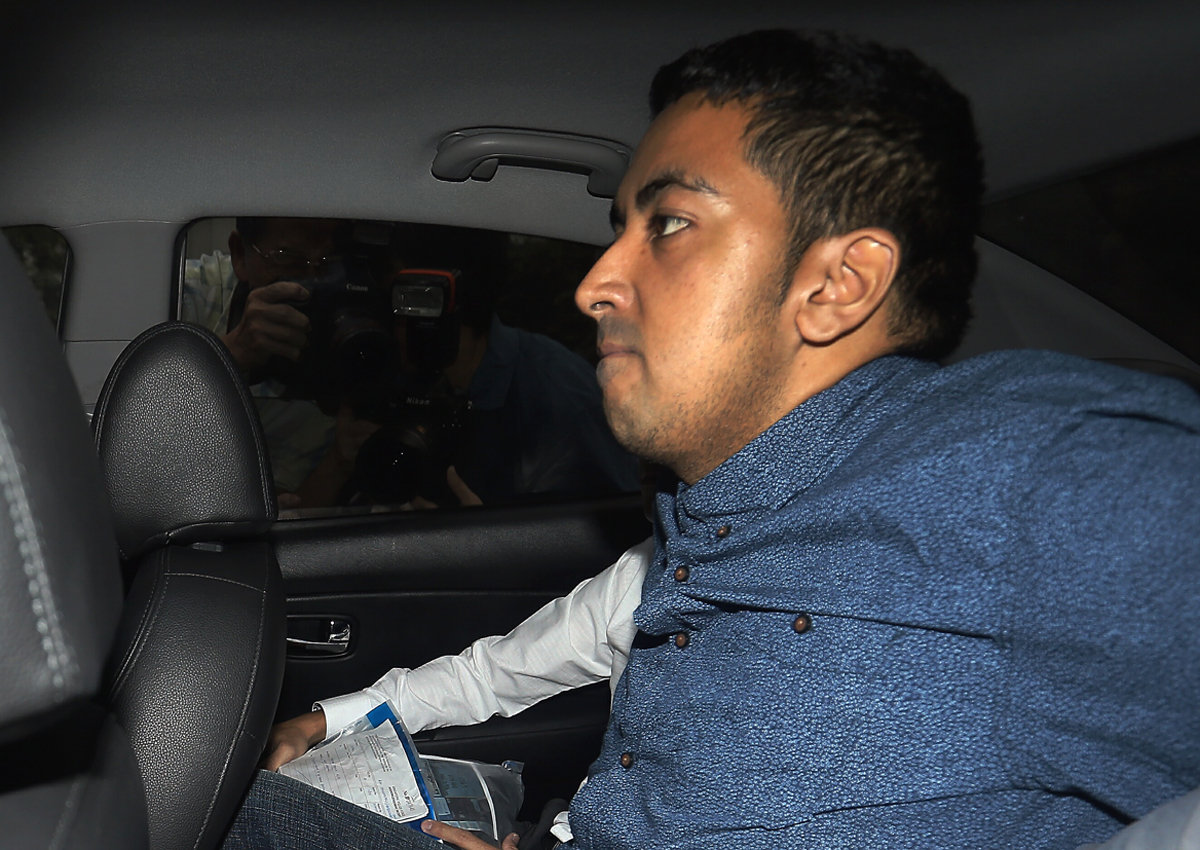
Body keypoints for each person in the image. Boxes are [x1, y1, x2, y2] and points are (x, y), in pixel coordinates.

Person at [223, 28, 1200, 850]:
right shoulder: (700, 523)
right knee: (214, 799)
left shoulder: (1044, 469)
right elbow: (512, 664)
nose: (595, 283)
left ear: (838, 285)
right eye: (621, 227)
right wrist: (331, 718)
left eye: (670, 223)